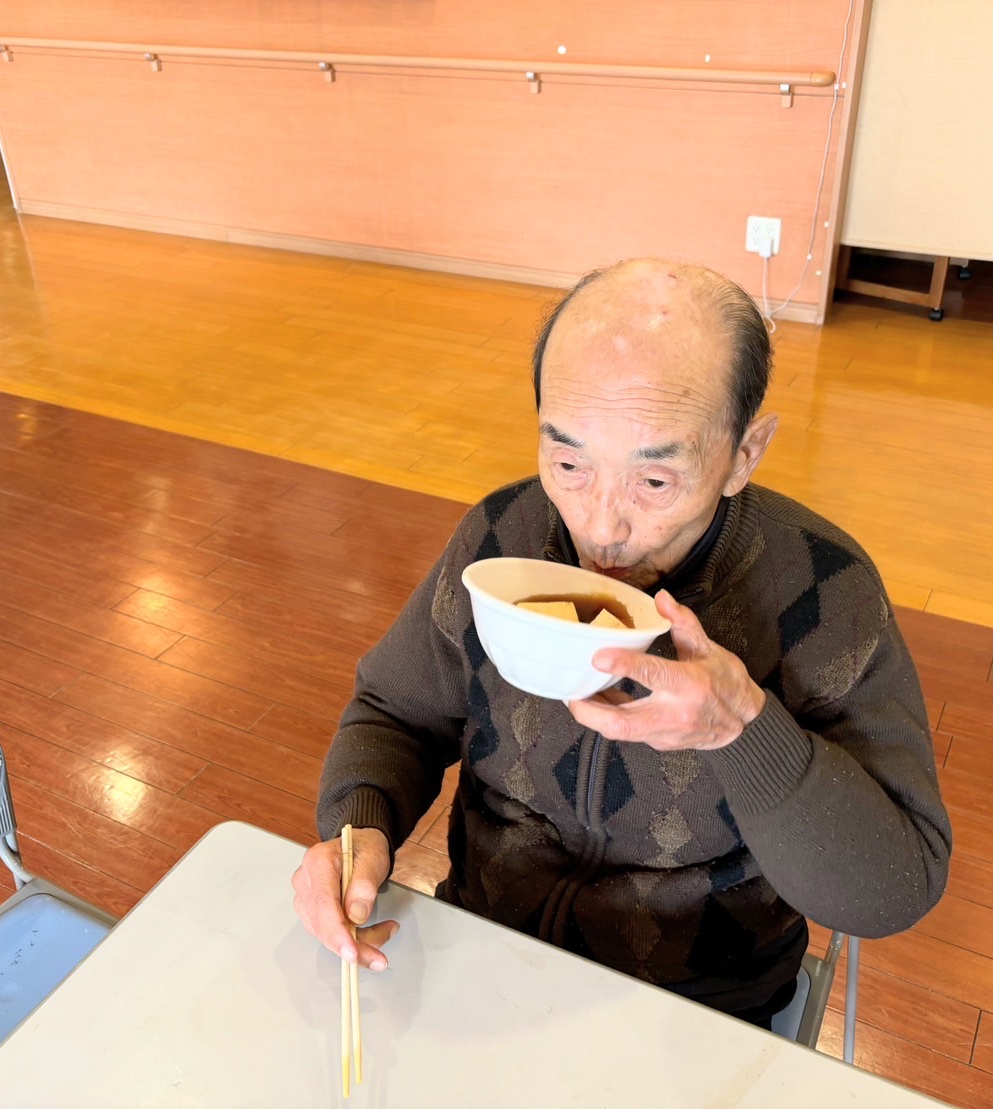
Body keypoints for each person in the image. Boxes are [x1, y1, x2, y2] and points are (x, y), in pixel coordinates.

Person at [292, 258, 951, 1026]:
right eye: (568, 462)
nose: (599, 526)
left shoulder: (824, 591)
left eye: (654, 481)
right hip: (484, 950)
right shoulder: (502, 537)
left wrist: (744, 728)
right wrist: (357, 832)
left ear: (744, 453)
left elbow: (893, 886)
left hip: (698, 1008)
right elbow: (394, 711)